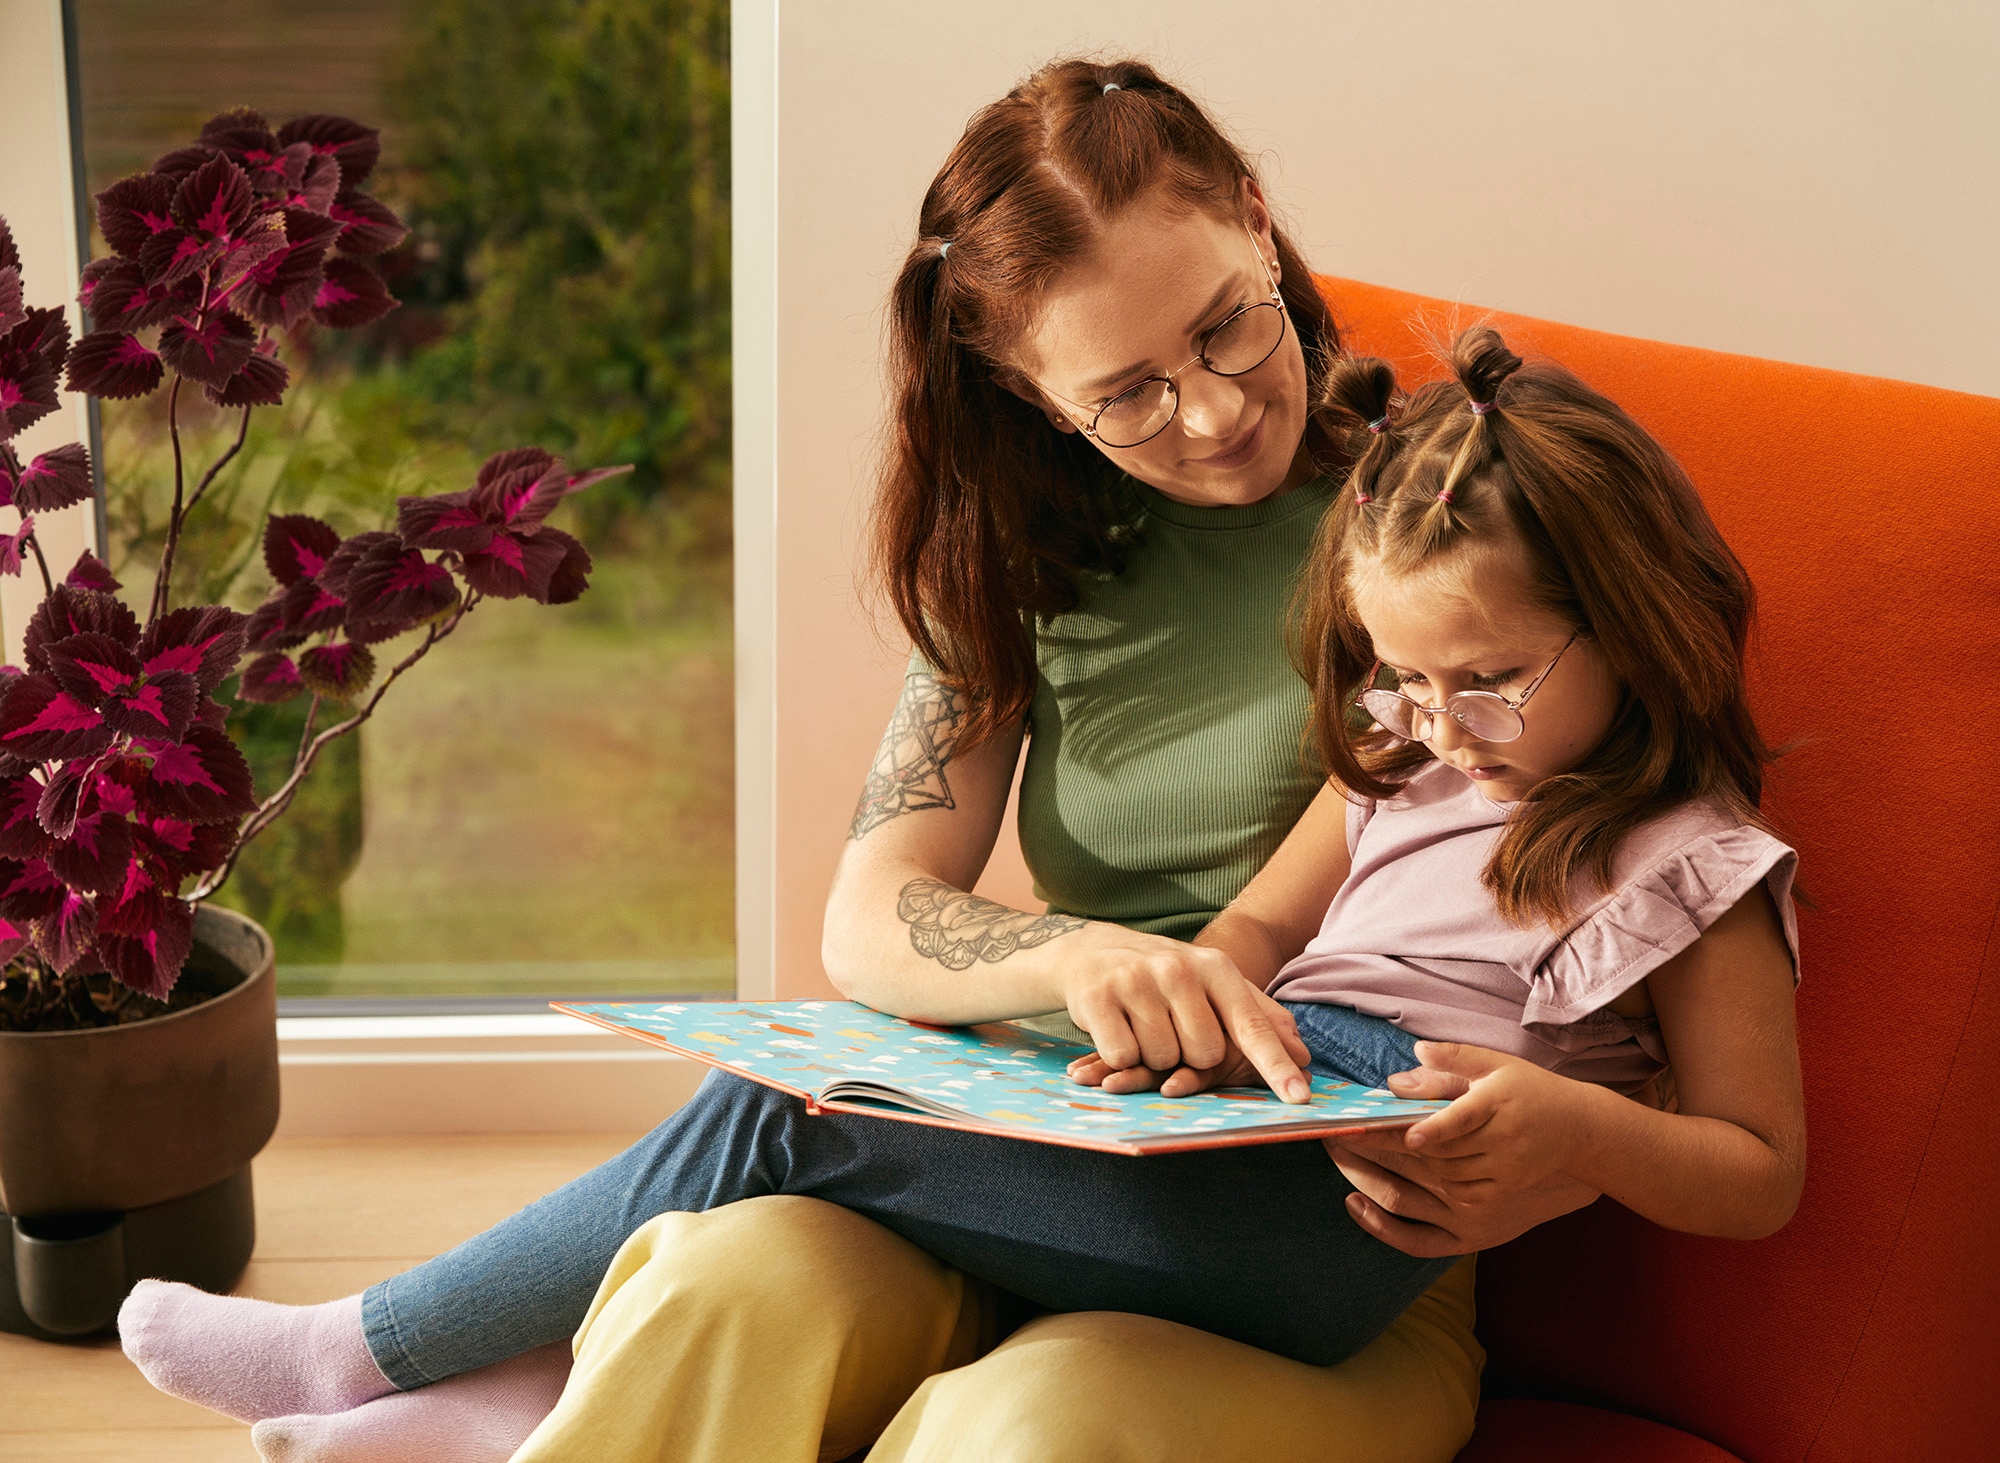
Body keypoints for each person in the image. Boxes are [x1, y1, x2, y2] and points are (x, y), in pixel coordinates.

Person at [111, 59, 1790, 1463]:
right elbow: (880, 916)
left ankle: (409, 1361)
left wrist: (1554, 1149)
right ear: (1025, 395)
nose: (1206, 415)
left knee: (959, 1337)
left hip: (1320, 1240)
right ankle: (515, 1403)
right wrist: (1096, 958)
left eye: (1226, 330)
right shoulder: (1025, 563)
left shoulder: (1434, 542)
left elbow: (1622, 1042)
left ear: (1259, 227)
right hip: (1063, 1128)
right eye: (1125, 391)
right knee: (727, 1270)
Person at [492, 326, 1807, 1463]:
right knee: (776, 1200)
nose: (1443, 726)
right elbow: (1256, 933)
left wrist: (1577, 1133)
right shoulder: (1401, 761)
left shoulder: (1694, 865)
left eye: (1489, 679)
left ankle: (400, 1350)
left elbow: (1756, 1173)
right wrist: (1190, 1014)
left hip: (1352, 1224)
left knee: (781, 1114)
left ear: (1627, 623)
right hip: (1261, 1108)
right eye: (1403, 678)